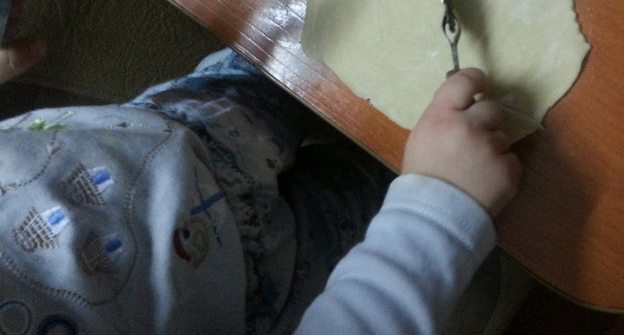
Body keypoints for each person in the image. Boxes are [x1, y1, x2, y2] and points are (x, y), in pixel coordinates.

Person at [0, 42, 522, 335]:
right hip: (261, 282)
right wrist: (434, 210)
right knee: (398, 167)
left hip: (165, 131)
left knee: (328, 37)